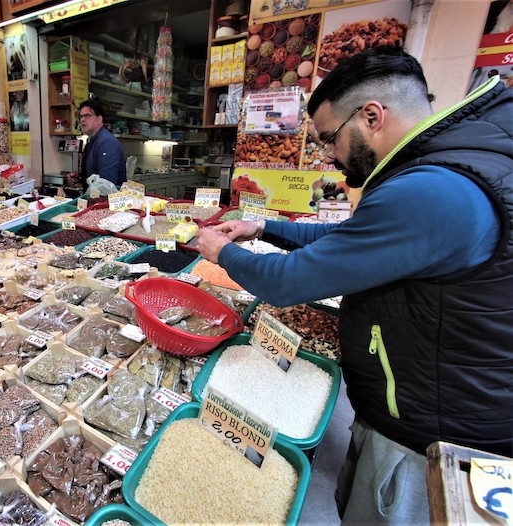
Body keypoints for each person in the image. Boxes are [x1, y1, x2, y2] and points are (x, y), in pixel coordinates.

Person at [197, 46, 512, 524]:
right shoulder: (450, 160)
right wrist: (263, 228)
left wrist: (222, 252)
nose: (330, 156)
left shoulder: (432, 190)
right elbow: (354, 236)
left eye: (330, 139)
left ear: (370, 116)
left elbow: (288, 283)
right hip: (439, 408)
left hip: (430, 438)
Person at [76, 98, 127, 187]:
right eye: (81, 116)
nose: (82, 120)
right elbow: (93, 174)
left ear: (99, 119)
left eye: (87, 115)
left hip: (108, 199)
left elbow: (106, 184)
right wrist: (79, 178)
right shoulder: (91, 141)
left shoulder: (107, 143)